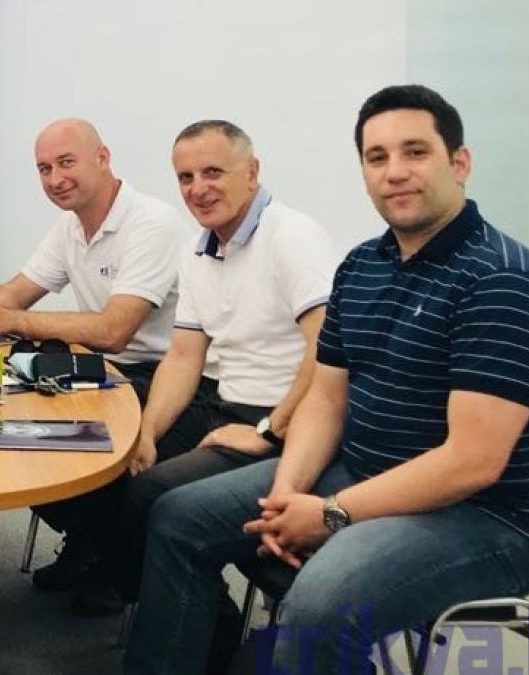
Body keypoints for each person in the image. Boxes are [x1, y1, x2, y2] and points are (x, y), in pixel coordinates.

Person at [122, 84, 529, 675]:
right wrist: (286, 493)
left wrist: (331, 514)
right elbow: (327, 399)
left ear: (459, 163)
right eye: (376, 157)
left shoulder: (502, 280)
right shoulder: (363, 265)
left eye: (415, 152)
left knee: (323, 601)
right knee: (176, 517)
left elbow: (472, 463)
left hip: (482, 518)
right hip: (361, 472)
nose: (394, 171)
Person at [92, 120, 344, 604]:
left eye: (212, 172)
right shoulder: (197, 251)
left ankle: (194, 621)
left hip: (293, 423)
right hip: (226, 410)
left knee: (153, 494)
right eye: (185, 178)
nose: (198, 189)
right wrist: (147, 432)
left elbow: (328, 348)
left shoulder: (292, 236)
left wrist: (270, 430)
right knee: (113, 461)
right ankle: (158, 599)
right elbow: (184, 356)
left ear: (252, 172)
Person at [0, 118, 188, 401]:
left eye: (66, 163)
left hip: (162, 377)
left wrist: (6, 319)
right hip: (103, 367)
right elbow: (17, 292)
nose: (55, 180)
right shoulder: (69, 225)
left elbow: (113, 332)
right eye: (44, 169)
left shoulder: (153, 223)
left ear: (102, 158)